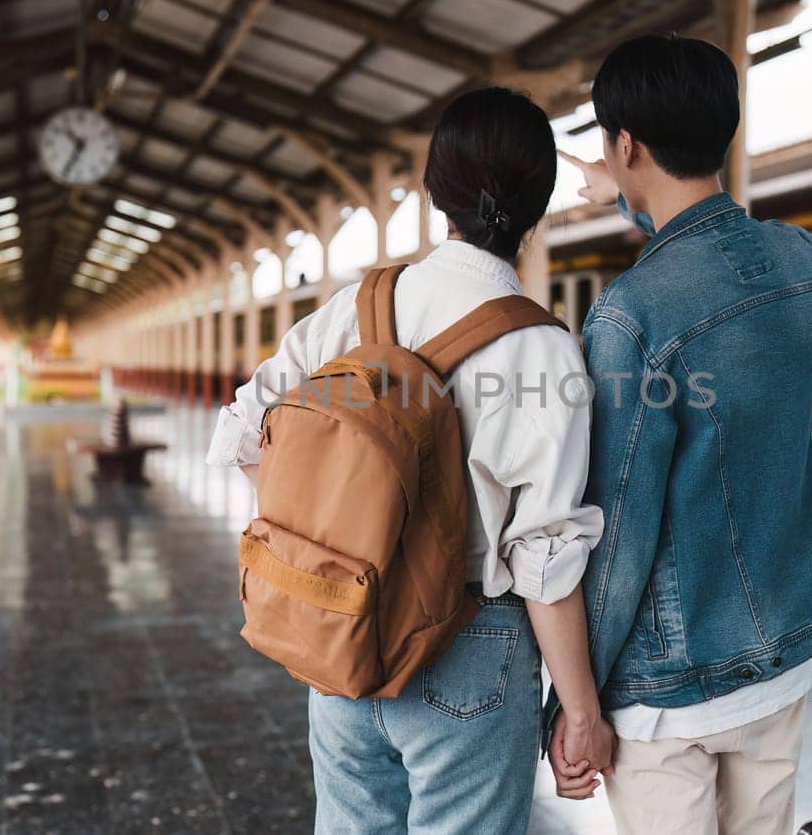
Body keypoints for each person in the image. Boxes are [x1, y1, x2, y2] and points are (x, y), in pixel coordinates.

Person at [207, 87, 614, 834]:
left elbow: (237, 433)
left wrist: (335, 523)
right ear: (538, 204)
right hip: (470, 650)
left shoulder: (352, 311)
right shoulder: (542, 348)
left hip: (340, 625)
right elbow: (545, 560)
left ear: (435, 194)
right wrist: (580, 712)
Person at [552, 33, 812, 835]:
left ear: (625, 144)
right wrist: (631, 192)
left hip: (671, 688)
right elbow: (709, 260)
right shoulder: (797, 264)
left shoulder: (631, 316)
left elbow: (622, 528)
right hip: (779, 654)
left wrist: (576, 703)